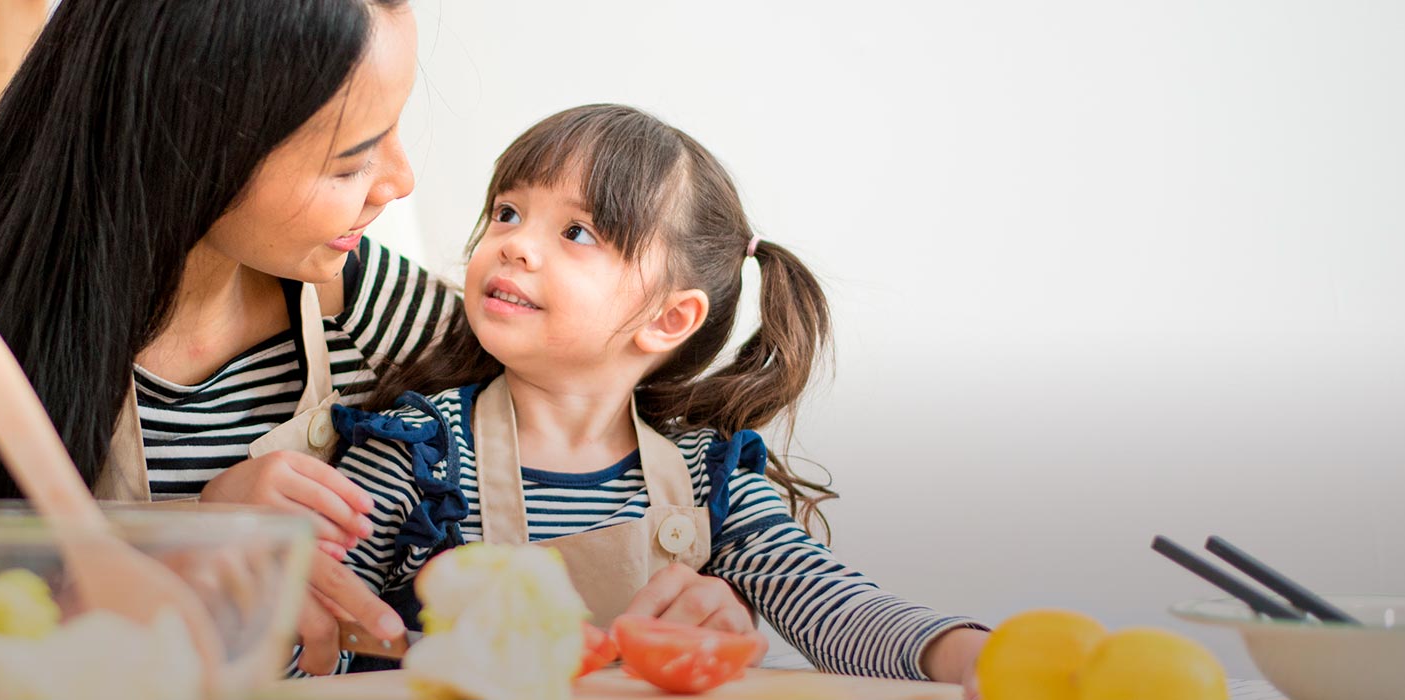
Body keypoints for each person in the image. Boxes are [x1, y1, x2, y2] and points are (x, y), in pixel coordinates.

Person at [0, 0, 445, 671]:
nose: (400, 181)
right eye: (350, 162)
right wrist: (160, 550)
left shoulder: (361, 303)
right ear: (198, 142)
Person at [326, 104, 991, 689]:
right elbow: (301, 638)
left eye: (577, 232)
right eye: (508, 213)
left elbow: (835, 606)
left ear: (669, 319)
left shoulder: (706, 480)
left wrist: (969, 656)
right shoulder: (413, 455)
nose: (515, 245)